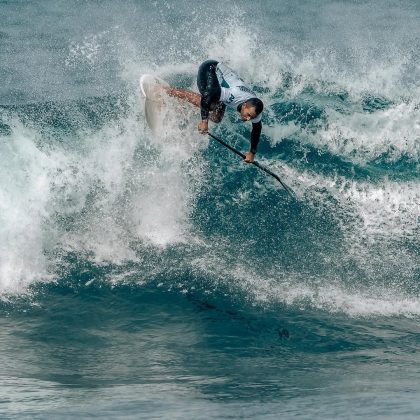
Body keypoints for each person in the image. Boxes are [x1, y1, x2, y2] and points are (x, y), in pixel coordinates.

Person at [164, 60, 264, 163]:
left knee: (216, 117)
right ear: (244, 105)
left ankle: (183, 106)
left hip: (222, 84)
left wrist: (252, 153)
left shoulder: (255, 110)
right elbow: (208, 94)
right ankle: (165, 90)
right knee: (210, 102)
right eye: (248, 115)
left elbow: (257, 130)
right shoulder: (233, 95)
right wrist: (204, 121)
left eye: (251, 117)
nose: (248, 119)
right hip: (210, 68)